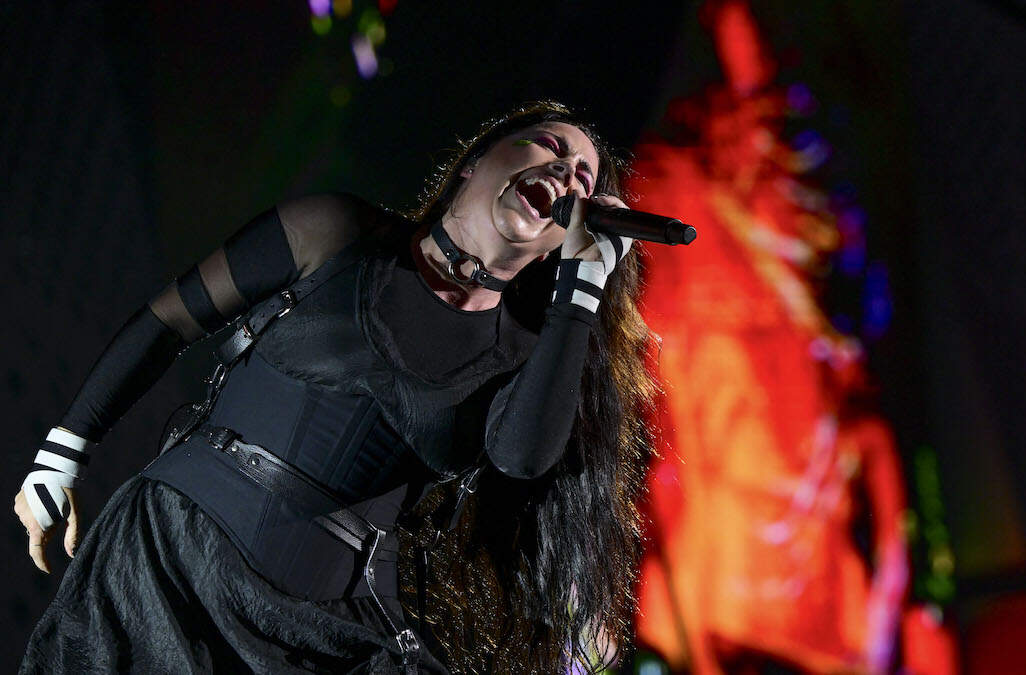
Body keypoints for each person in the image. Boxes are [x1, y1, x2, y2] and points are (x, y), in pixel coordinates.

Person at [13, 101, 659, 674]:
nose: (568, 173)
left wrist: (583, 285)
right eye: (549, 146)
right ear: (474, 163)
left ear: (555, 245)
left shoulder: (524, 357)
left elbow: (523, 458)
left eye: (585, 179)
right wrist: (62, 451)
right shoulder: (334, 232)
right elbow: (169, 320)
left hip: (316, 641)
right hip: (165, 568)